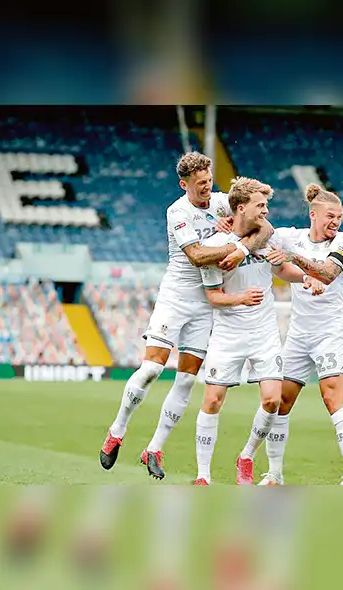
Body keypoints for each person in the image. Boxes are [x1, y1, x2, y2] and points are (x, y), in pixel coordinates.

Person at [99, 152, 271, 479]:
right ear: (184, 184)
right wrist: (234, 242)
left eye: (209, 181)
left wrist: (243, 244)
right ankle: (117, 430)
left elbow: (266, 226)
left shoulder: (223, 202)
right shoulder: (177, 212)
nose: (207, 188)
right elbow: (196, 255)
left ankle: (154, 447)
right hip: (176, 297)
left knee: (188, 378)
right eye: (200, 184)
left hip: (207, 303)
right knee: (151, 369)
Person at [193, 177, 322, 485]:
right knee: (212, 400)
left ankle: (247, 455)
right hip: (228, 333)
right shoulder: (213, 248)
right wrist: (241, 298)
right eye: (260, 205)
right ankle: (203, 476)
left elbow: (283, 271)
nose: (266, 211)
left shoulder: (269, 238)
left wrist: (304, 277)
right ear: (241, 208)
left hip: (263, 332)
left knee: (272, 401)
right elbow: (213, 296)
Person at [239, 183, 343, 485]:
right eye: (330, 216)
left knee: (332, 398)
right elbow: (257, 226)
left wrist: (291, 257)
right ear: (313, 214)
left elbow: (326, 273)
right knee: (280, 403)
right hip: (298, 334)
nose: (335, 222)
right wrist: (227, 220)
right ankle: (274, 474)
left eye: (339, 217)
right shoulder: (292, 236)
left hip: (329, 332)